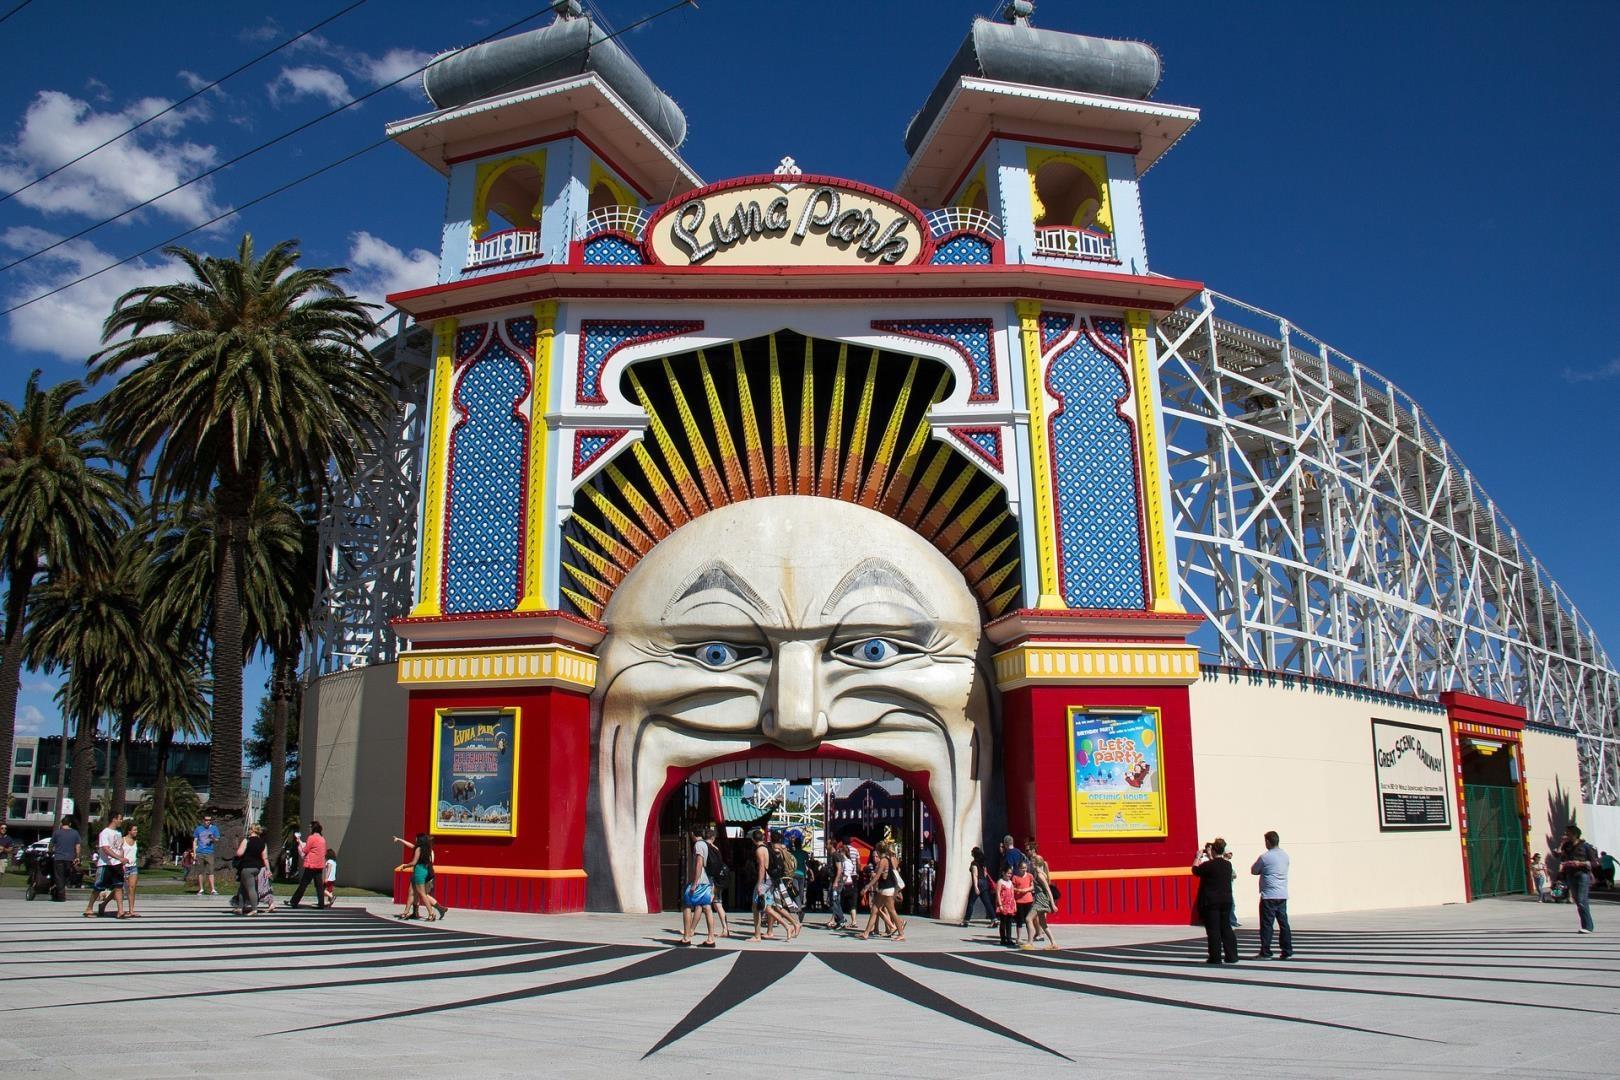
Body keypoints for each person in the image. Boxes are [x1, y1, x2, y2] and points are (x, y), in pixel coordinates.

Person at [1193, 838, 1239, 964]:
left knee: (1213, 930)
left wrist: (1197, 857)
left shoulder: (1208, 865)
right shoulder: (1227, 865)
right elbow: (1216, 866)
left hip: (1212, 901)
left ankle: (1215, 957)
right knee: (1226, 927)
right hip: (1226, 900)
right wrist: (1211, 854)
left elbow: (1195, 871)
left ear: (1213, 850)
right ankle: (1232, 955)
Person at [1251, 830, 1293, 959]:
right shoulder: (1285, 855)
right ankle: (1287, 950)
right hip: (1282, 894)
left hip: (1269, 895)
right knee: (1283, 923)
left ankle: (1266, 951)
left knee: (1267, 925)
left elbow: (1254, 870)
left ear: (1268, 842)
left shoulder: (1265, 857)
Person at [677, 824, 717, 947]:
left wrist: (694, 882)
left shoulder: (698, 845)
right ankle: (711, 937)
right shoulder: (707, 845)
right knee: (707, 907)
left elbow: (699, 863)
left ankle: (686, 937)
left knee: (687, 905)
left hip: (699, 881)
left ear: (693, 834)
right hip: (707, 881)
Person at [393, 833, 446, 921]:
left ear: (420, 840)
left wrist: (405, 866)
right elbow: (411, 846)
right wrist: (400, 840)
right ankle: (406, 912)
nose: (415, 839)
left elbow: (414, 862)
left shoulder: (419, 849)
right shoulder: (426, 849)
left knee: (422, 894)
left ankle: (431, 914)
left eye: (416, 838)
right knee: (411, 893)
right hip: (420, 871)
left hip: (419, 872)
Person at [84, 812, 127, 919]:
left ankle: (120, 911)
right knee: (98, 887)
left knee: (118, 887)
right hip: (105, 865)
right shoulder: (105, 833)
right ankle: (89, 908)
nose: (121, 821)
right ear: (114, 819)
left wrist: (121, 860)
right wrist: (119, 857)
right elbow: (105, 849)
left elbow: (120, 847)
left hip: (117, 865)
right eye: (120, 819)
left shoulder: (118, 833)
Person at [1557, 824, 1599, 933]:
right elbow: (1557, 855)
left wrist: (1580, 863)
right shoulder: (1566, 846)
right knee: (1579, 901)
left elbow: (1595, 862)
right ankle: (1586, 926)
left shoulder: (1585, 846)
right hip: (1571, 875)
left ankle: (1588, 927)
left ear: (1575, 834)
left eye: (1568, 833)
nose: (1566, 835)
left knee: (1581, 900)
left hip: (1582, 875)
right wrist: (1561, 843)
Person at [1024, 839, 1059, 951]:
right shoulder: (1038, 873)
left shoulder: (1039, 875)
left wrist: (1052, 904)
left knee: (1028, 919)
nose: (1031, 863)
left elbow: (1048, 889)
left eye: (1033, 862)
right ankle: (1053, 943)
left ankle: (1030, 943)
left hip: (1040, 899)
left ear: (1036, 863)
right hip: (1040, 898)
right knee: (1043, 924)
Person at [288, 820, 328, 909]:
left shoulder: (311, 838)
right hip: (319, 864)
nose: (309, 829)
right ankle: (321, 903)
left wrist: (300, 843)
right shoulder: (322, 839)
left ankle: (294, 901)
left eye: (310, 827)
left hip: (311, 864)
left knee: (304, 884)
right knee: (319, 885)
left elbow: (305, 850)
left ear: (313, 828)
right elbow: (324, 851)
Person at [233, 825, 269, 916]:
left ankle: (254, 909)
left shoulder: (247, 840)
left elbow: (239, 853)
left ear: (252, 830)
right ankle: (240, 907)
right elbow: (265, 858)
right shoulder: (262, 843)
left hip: (247, 866)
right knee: (242, 887)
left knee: (251, 888)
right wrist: (268, 870)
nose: (248, 831)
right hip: (257, 867)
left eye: (249, 829)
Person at [702, 826, 730, 937]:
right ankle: (725, 928)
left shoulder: (705, 847)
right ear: (713, 837)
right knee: (718, 904)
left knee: (703, 904)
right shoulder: (716, 848)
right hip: (719, 880)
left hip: (710, 880)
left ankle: (692, 929)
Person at [962, 846, 997, 928]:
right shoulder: (983, 863)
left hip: (978, 882)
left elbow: (975, 875)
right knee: (987, 902)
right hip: (984, 883)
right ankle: (994, 919)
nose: (971, 852)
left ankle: (966, 920)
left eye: (972, 852)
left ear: (974, 854)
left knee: (971, 902)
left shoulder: (974, 864)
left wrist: (976, 887)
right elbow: (985, 874)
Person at [49, 815, 81, 902]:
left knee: (59, 876)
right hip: (70, 858)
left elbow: (51, 844)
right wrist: (77, 856)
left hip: (58, 857)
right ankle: (63, 890)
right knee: (66, 875)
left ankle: (61, 895)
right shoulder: (75, 833)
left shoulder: (57, 832)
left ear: (61, 823)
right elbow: (77, 846)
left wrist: (50, 852)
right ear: (70, 824)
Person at [190, 814, 220, 896]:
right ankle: (201, 889)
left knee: (211, 871)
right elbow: (195, 841)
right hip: (200, 852)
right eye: (206, 820)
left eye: (209, 820)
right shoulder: (198, 829)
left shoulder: (214, 828)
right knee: (200, 872)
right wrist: (194, 853)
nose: (207, 821)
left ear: (211, 821)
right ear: (203, 820)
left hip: (209, 852)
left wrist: (212, 838)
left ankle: (213, 889)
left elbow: (217, 839)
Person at [1010, 858, 1035, 947]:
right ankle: (1019, 937)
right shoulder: (1015, 877)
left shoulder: (1030, 876)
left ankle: (1029, 938)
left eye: (1025, 868)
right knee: (1019, 920)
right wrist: (1019, 890)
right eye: (1022, 868)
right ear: (1018, 868)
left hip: (1028, 900)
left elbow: (1032, 886)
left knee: (1028, 920)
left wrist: (1025, 890)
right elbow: (1012, 887)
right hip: (1019, 901)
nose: (1023, 869)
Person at [121, 822, 141, 918]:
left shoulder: (135, 841)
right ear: (129, 831)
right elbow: (119, 853)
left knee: (132, 888)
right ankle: (104, 904)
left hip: (133, 867)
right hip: (124, 867)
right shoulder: (122, 840)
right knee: (120, 889)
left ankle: (131, 910)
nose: (136, 832)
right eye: (134, 830)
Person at [994, 864, 1018, 947]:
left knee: (1009, 922)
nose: (1009, 875)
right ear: (1003, 873)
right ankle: (1003, 939)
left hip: (1010, 904)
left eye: (1010, 874)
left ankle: (1009, 938)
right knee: (1003, 922)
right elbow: (997, 893)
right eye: (1008, 873)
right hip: (1003, 904)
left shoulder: (1010, 882)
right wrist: (1000, 904)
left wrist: (1014, 904)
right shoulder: (1000, 882)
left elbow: (1012, 894)